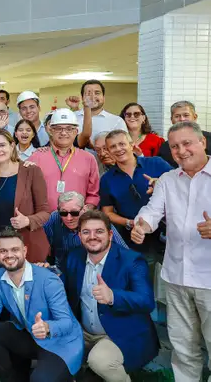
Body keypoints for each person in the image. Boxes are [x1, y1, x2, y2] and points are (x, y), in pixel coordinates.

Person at [131, 121, 211, 382]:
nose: (181, 151)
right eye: (174, 146)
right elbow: (154, 211)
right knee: (183, 347)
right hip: (176, 275)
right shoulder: (167, 179)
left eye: (187, 143)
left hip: (209, 279)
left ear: (203, 143)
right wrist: (142, 225)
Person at [0, 227, 83, 382]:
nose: (9, 255)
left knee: (40, 379)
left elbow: (66, 323)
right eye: (3, 251)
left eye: (15, 250)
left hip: (59, 342)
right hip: (30, 335)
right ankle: (12, 376)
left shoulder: (48, 280)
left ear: (24, 251)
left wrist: (47, 328)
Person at [63, 210, 159, 382]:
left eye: (99, 231)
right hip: (83, 332)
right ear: (79, 236)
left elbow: (146, 301)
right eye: (86, 232)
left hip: (119, 332)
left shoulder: (131, 261)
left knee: (99, 361)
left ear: (110, 234)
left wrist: (113, 296)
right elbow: (64, 289)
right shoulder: (74, 257)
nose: (92, 237)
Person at [0, 129, 50, 277]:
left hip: (25, 245)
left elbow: (45, 212)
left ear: (12, 146)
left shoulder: (31, 171)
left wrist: (27, 220)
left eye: (2, 145)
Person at [100, 130, 172, 273]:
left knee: (173, 280)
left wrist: (159, 183)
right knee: (144, 278)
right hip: (134, 237)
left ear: (132, 144)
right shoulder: (107, 179)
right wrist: (129, 223)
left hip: (167, 233)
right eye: (113, 147)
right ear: (108, 151)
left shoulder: (156, 163)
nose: (118, 149)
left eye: (122, 144)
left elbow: (181, 185)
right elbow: (107, 213)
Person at [28, 108, 100, 212]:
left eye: (69, 129)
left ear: (76, 131)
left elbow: (93, 194)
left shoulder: (88, 159)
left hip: (77, 219)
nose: (63, 133)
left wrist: (87, 208)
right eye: (58, 128)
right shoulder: (37, 157)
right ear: (51, 131)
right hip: (44, 221)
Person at [43, 191, 128, 272]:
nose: (69, 218)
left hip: (92, 272)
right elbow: (42, 242)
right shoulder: (54, 218)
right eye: (63, 213)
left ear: (84, 209)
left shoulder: (98, 221)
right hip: (61, 271)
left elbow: (125, 252)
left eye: (74, 213)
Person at [71, 80, 127, 147]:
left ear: (103, 97)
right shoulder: (71, 117)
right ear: (82, 97)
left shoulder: (117, 121)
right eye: (88, 93)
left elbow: (123, 146)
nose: (92, 97)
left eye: (97, 93)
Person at [157, 100, 211, 167]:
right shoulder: (165, 147)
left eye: (186, 115)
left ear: (195, 117)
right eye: (177, 116)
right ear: (171, 120)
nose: (182, 119)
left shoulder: (210, 139)